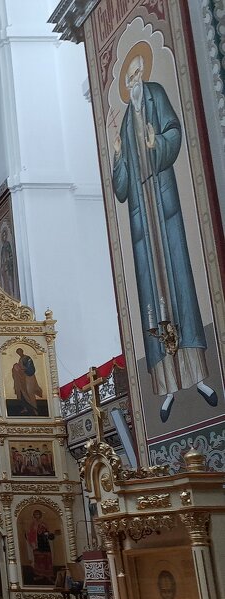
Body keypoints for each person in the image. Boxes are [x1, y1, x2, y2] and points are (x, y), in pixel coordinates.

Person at [111, 49, 218, 422]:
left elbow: (173, 132)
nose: (136, 81)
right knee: (147, 298)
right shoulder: (125, 123)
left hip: (165, 205)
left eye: (139, 73)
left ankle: (199, 374)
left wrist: (158, 143)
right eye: (130, 78)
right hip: (142, 218)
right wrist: (116, 161)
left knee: (181, 283)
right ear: (126, 86)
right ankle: (168, 386)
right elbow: (121, 188)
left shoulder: (157, 96)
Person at [25, 509, 56, 583]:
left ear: (40, 515)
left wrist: (47, 533)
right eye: (35, 514)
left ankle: (48, 575)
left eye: (38, 514)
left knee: (47, 558)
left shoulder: (43, 523)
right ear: (34, 516)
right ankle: (40, 574)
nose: (37, 516)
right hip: (37, 544)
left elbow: (47, 532)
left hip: (44, 543)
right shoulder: (33, 524)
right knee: (39, 559)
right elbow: (31, 533)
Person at [11, 348, 43, 415]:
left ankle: (35, 410)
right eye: (18, 353)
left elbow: (30, 368)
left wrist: (22, 369)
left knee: (29, 392)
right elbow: (20, 368)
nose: (19, 353)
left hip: (29, 378)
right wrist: (16, 368)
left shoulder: (27, 358)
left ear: (22, 351)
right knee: (22, 392)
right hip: (22, 378)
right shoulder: (21, 359)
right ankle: (26, 408)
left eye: (19, 352)